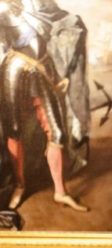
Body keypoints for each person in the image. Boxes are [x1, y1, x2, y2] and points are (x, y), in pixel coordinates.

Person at [0, 0, 88, 211]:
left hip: (44, 70)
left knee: (57, 133)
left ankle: (60, 192)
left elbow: (61, 23)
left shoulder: (39, 2)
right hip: (14, 72)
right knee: (14, 131)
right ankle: (20, 186)